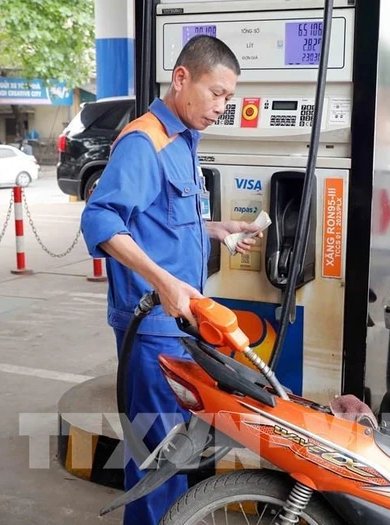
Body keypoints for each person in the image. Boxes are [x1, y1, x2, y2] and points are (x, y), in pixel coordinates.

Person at [80, 35, 261, 524]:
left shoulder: (182, 139)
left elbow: (155, 219)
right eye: (217, 93)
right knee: (157, 457)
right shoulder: (145, 142)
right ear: (181, 78)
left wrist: (213, 230)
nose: (224, 106)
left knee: (173, 450)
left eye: (229, 97)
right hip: (153, 327)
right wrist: (161, 280)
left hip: (179, 323)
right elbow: (101, 221)